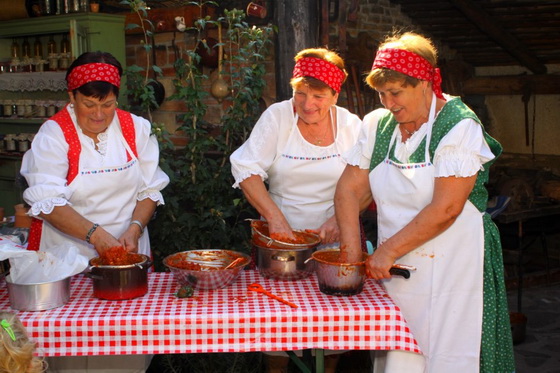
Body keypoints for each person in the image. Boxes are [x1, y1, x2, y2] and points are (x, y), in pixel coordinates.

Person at [334, 32, 515, 372]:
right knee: (401, 354)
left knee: (449, 353)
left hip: (456, 264)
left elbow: (446, 208)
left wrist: (386, 251)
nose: (388, 102)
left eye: (396, 92)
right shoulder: (378, 126)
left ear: (425, 82)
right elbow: (348, 190)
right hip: (397, 271)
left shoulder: (458, 126)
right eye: (381, 94)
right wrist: (351, 250)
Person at [19, 51, 169, 372]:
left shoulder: (135, 129)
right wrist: (97, 236)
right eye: (89, 104)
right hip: (68, 265)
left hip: (128, 259)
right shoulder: (54, 134)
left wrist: (134, 229)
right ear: (71, 96)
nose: (99, 114)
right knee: (73, 358)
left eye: (108, 104)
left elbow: (149, 190)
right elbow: (47, 202)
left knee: (127, 353)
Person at [230, 47, 362, 373]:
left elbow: (369, 181)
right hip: (281, 244)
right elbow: (245, 168)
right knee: (276, 328)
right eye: (300, 93)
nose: (306, 104)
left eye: (318, 96)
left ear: (335, 94)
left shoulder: (350, 125)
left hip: (335, 240)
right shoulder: (277, 117)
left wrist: (339, 219)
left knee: (332, 332)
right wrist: (275, 218)